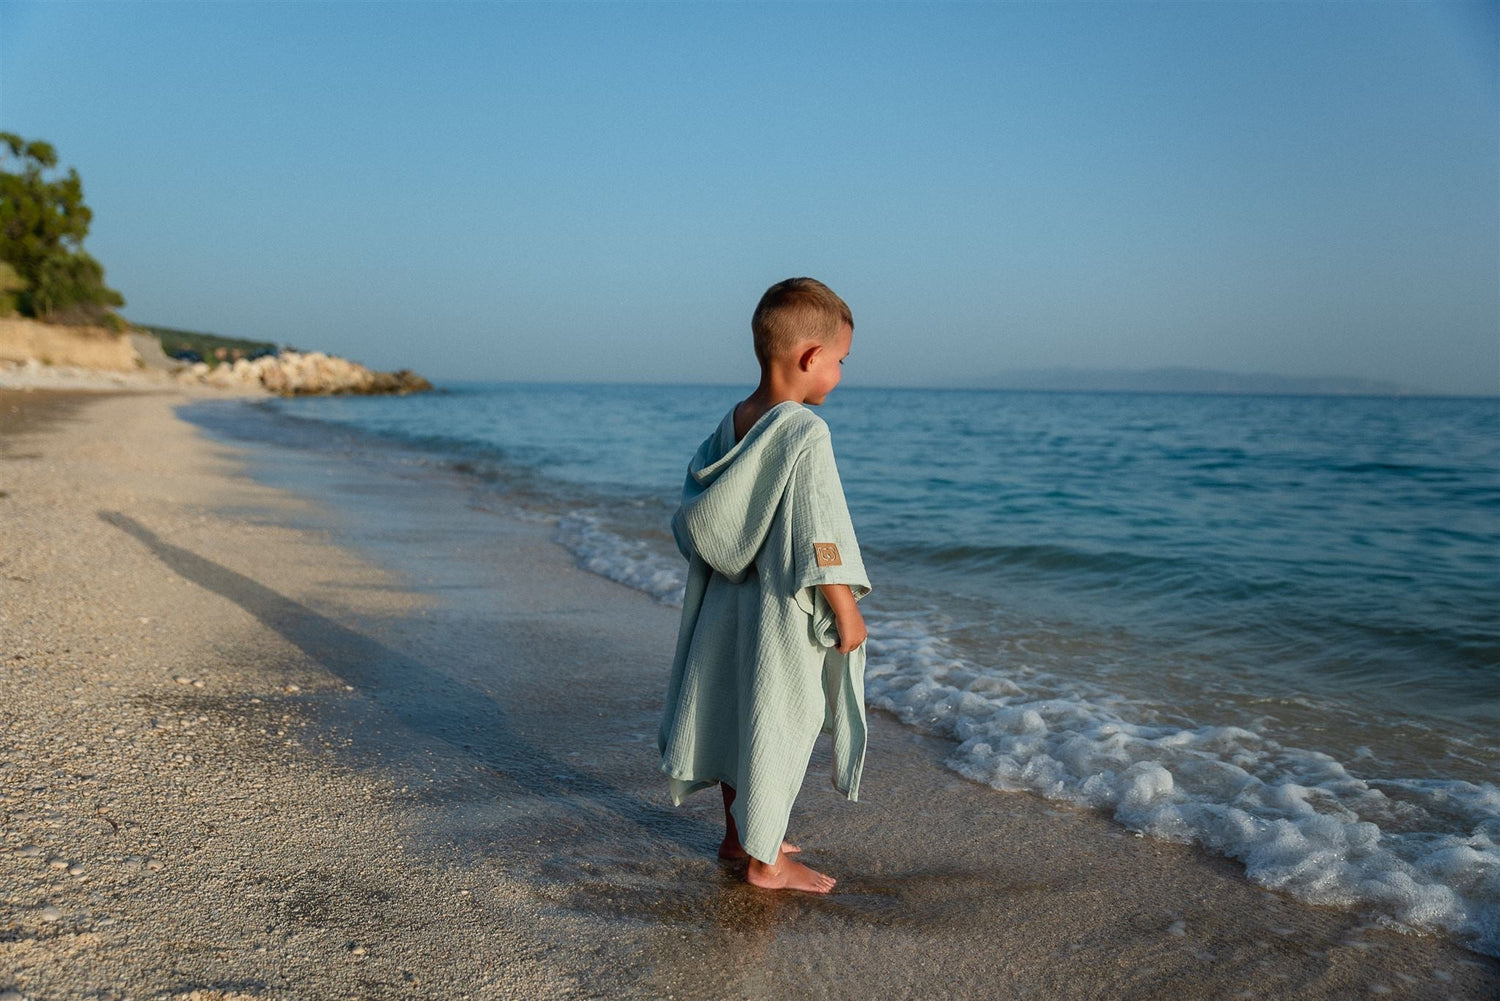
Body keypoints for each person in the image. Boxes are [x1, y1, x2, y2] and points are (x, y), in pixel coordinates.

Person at [658, 277, 870, 893]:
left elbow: (701, 511)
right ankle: (767, 864)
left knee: (734, 715)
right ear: (811, 358)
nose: (839, 375)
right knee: (777, 721)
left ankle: (739, 835)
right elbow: (820, 530)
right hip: (779, 609)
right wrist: (845, 610)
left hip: (727, 605)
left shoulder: (732, 424)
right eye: (841, 362)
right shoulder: (804, 431)